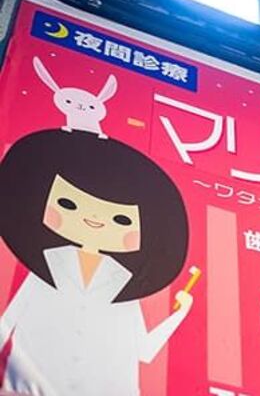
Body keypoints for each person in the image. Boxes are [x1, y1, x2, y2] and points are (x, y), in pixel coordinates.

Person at [0, 129, 192, 396]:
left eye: (121, 220)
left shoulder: (124, 289)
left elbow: (144, 351)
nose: (95, 221)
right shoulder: (45, 271)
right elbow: (8, 322)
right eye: (67, 204)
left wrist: (180, 312)